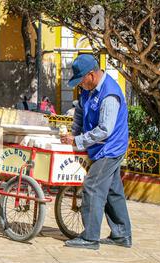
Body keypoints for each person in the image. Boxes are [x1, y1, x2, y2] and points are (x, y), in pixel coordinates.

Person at [60, 54, 132, 250]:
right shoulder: (88, 91)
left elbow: (105, 130)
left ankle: (90, 237)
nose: (80, 86)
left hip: (110, 148)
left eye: (81, 81)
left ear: (91, 75)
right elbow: (81, 112)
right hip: (99, 147)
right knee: (111, 190)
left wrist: (78, 141)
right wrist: (73, 134)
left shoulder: (109, 94)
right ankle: (122, 234)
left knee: (92, 186)